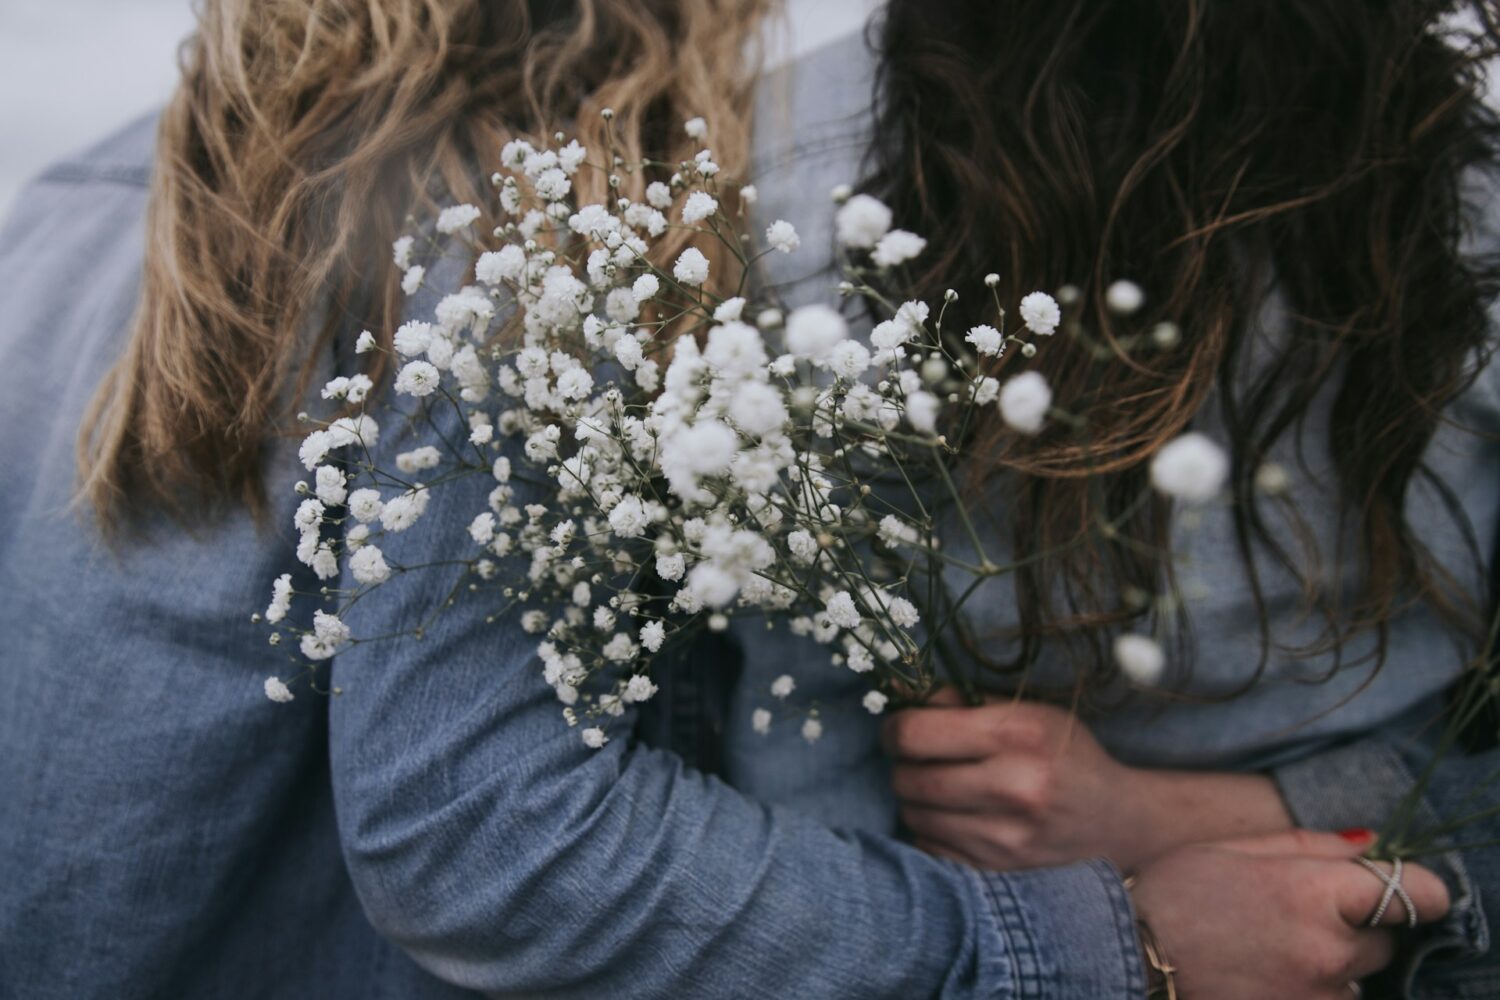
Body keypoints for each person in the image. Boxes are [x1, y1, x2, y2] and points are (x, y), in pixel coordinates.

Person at [0, 2, 1481, 999]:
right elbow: (489, 827)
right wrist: (1119, 942)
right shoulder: (526, 248)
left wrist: (1212, 813)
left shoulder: (74, 205)